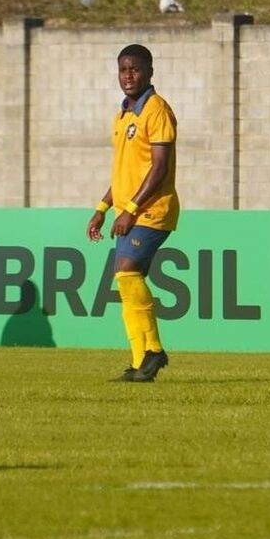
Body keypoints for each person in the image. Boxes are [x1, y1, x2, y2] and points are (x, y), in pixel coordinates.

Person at [86, 44, 180, 382]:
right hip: (129, 210)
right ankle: (142, 362)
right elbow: (126, 171)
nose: (128, 76)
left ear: (150, 72)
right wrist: (102, 207)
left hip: (152, 210)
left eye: (135, 69)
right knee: (126, 282)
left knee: (126, 272)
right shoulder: (124, 113)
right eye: (123, 69)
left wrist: (130, 209)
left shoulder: (157, 110)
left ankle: (153, 350)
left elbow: (158, 168)